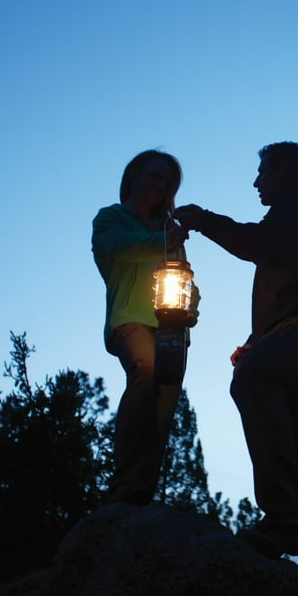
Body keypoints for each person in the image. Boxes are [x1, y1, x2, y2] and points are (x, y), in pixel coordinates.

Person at [174, 141, 298, 581]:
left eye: (263, 172)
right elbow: (292, 285)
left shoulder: (297, 208)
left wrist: (202, 220)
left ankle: (284, 521)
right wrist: (257, 341)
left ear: (284, 172)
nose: (256, 182)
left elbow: (255, 243)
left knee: (252, 379)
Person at [92, 149, 198, 505]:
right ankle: (123, 484)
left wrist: (191, 308)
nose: (160, 185)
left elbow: (185, 279)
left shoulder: (168, 232)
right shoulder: (111, 220)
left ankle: (141, 490)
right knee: (145, 372)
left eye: (167, 181)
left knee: (163, 408)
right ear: (133, 175)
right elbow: (117, 247)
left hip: (172, 330)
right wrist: (161, 242)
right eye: (153, 175)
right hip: (131, 321)